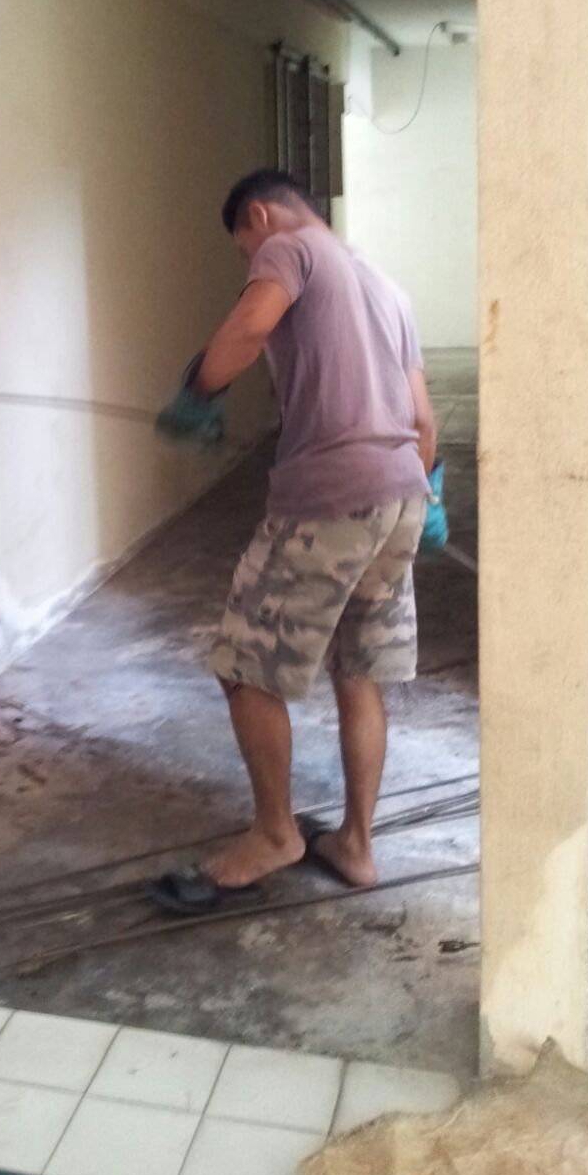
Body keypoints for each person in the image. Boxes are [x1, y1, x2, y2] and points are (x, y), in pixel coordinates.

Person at [161, 169, 436, 897]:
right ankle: (356, 845)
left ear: (260, 216)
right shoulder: (387, 287)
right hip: (401, 494)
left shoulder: (290, 248)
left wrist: (199, 390)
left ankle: (276, 834)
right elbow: (423, 420)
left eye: (243, 249)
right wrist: (426, 495)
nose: (250, 263)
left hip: (329, 501)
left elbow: (251, 326)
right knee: (357, 670)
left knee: (244, 666)